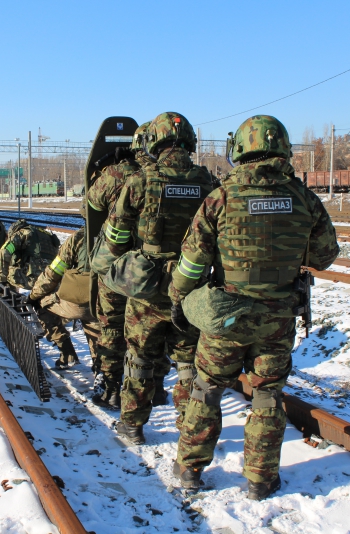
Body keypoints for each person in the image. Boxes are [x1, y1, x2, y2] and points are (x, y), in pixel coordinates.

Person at [168, 115, 339, 498]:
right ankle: (261, 480)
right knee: (267, 396)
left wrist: (179, 300)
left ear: (241, 149)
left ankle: (190, 469)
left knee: (206, 390)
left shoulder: (221, 198)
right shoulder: (304, 199)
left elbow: (192, 262)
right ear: (283, 149)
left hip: (226, 315)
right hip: (277, 318)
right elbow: (325, 255)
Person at [102, 112, 215, 445]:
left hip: (147, 290)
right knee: (188, 362)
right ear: (189, 142)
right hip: (191, 290)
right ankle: (187, 424)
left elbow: (115, 238)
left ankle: (132, 427)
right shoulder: (207, 182)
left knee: (139, 358)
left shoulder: (141, 181)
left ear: (154, 143)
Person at [87, 122, 171, 410]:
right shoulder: (168, 174)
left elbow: (93, 201)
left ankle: (111, 388)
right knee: (155, 331)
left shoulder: (119, 173)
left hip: (118, 268)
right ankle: (157, 387)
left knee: (112, 325)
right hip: (159, 272)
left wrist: (109, 168)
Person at [0, 220, 77, 365]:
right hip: (53, 279)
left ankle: (15, 318)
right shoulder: (47, 235)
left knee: (4, 281)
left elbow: (4, 252)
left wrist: (1, 279)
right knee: (45, 310)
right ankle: (67, 353)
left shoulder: (22, 233)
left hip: (31, 277)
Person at [28, 206, 101, 369]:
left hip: (80, 303)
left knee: (43, 305)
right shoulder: (122, 237)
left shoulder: (78, 238)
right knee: (98, 332)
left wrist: (33, 296)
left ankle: (66, 354)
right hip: (109, 303)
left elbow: (53, 273)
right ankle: (102, 374)